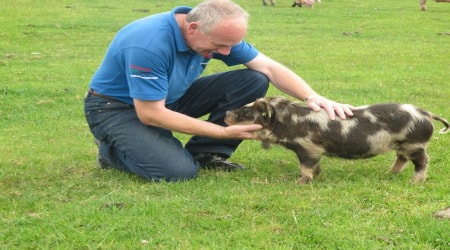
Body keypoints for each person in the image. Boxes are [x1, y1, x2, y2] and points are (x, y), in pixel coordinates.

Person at [84, 0, 353, 182]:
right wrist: (222, 130)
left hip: (170, 98)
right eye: (219, 46)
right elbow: (151, 113)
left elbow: (268, 68)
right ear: (193, 28)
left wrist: (312, 97)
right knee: (177, 172)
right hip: (118, 108)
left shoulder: (215, 34)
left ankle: (207, 153)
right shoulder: (148, 43)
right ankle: (112, 151)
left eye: (230, 46)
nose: (226, 53)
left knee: (253, 78)